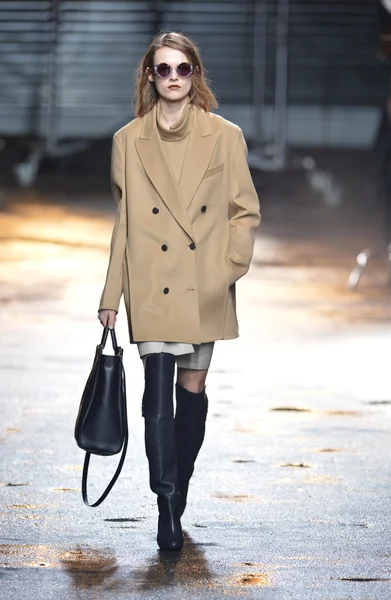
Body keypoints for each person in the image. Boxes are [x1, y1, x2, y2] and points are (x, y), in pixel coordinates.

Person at [98, 31, 260, 551]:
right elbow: (124, 223)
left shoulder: (224, 135)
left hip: (202, 283)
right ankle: (167, 506)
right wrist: (110, 295)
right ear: (150, 75)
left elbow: (245, 209)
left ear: (195, 75)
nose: (172, 78)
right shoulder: (128, 140)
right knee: (156, 395)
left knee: (190, 396)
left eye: (182, 69)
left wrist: (226, 268)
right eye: (162, 69)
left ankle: (180, 486)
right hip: (151, 283)